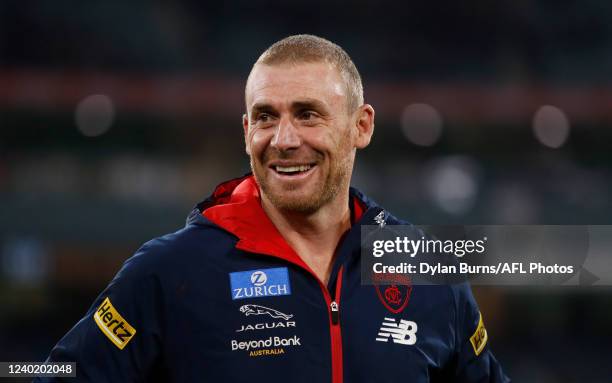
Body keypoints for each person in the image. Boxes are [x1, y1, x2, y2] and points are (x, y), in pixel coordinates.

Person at [37, 34, 509, 382]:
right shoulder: (170, 271)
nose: (284, 140)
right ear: (246, 131)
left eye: (307, 114)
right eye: (265, 117)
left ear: (361, 127)